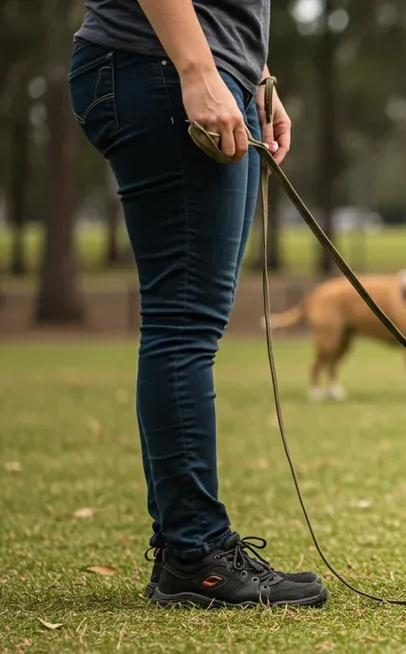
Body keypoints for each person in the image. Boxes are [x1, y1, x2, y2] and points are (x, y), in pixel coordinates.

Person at [70, 0, 327, 608]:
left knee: (187, 323)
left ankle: (187, 547)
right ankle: (194, 553)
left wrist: (254, 76)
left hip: (202, 67)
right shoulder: (181, 67)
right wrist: (197, 70)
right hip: (161, 64)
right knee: (183, 323)